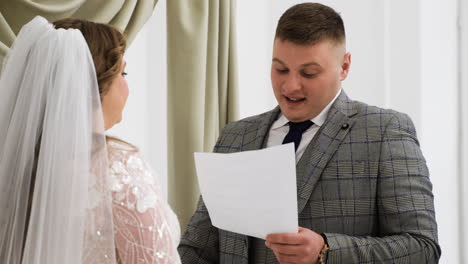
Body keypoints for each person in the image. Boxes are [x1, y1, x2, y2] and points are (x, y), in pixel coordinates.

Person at [178, 3, 441, 264]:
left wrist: (326, 251)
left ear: (345, 66)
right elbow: (197, 251)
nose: (290, 86)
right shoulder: (235, 137)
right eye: (280, 69)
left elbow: (422, 248)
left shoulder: (385, 131)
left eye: (309, 73)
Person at [0, 16, 181, 264]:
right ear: (98, 84)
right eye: (123, 73)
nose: (127, 86)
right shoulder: (120, 168)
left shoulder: (16, 162)